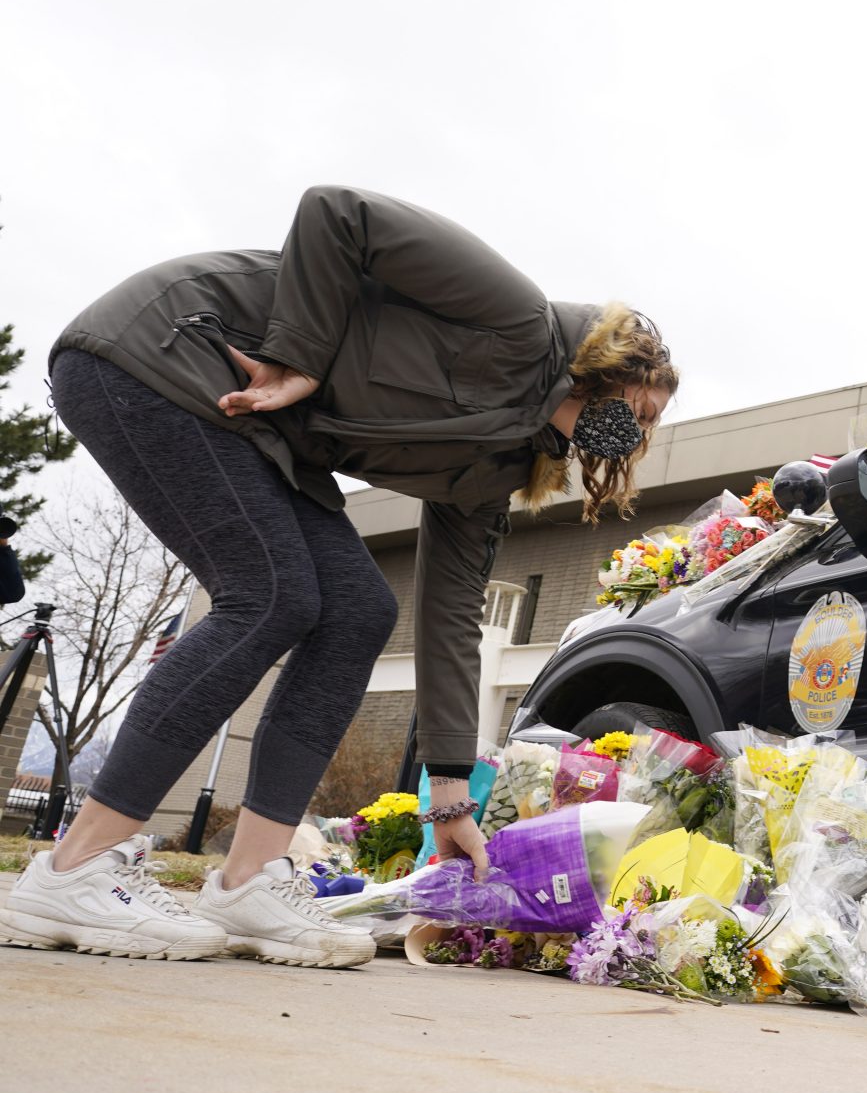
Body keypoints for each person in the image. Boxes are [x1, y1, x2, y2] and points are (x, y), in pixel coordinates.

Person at [0, 186, 677, 968]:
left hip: (257, 433)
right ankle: (76, 867)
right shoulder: (516, 319)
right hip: (167, 352)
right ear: (604, 370)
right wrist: (299, 358)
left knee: (356, 608)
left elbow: (453, 615)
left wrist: (451, 794)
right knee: (273, 593)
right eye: (638, 413)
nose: (633, 436)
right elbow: (337, 212)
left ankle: (250, 877)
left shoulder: (495, 468)